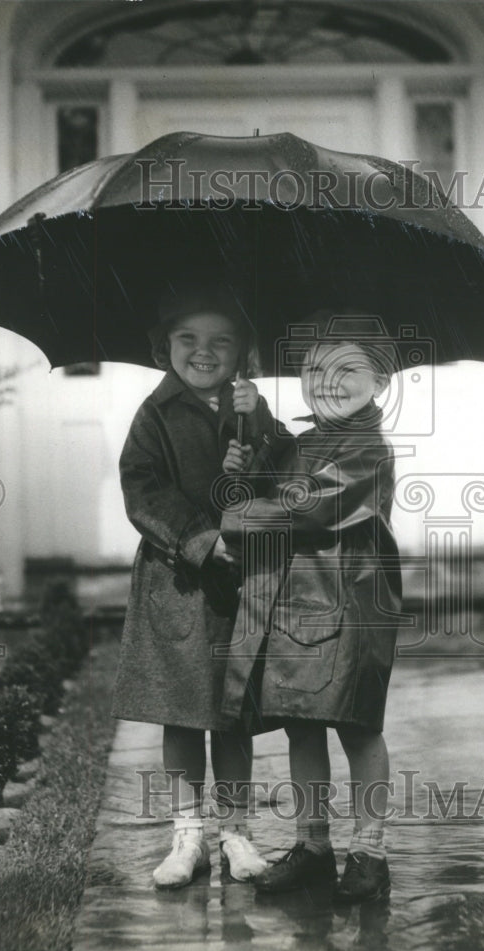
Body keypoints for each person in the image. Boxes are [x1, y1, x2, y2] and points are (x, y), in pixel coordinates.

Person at [220, 315, 404, 903]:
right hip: (300, 603)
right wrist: (248, 455)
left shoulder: (368, 448)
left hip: (353, 602)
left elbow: (311, 507)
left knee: (357, 725)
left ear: (379, 380)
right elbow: (276, 474)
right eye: (314, 369)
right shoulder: (307, 440)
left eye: (347, 369)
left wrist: (237, 521)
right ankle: (314, 844)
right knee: (302, 722)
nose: (328, 381)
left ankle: (370, 853)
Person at [112, 282, 281, 890]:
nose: (203, 352)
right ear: (165, 347)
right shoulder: (153, 415)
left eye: (221, 341)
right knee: (182, 715)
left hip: (238, 585)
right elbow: (142, 489)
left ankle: (235, 832)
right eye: (188, 339)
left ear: (244, 353)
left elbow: (281, 473)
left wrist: (256, 431)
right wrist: (201, 540)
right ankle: (187, 835)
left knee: (233, 714)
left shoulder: (251, 412)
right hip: (177, 581)